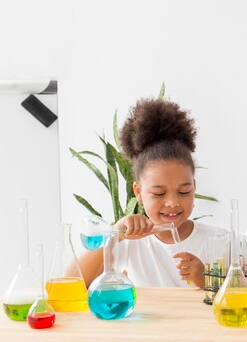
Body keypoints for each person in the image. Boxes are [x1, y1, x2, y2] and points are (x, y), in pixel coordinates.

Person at [78, 98, 226, 288]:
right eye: (158, 193)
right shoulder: (130, 243)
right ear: (138, 192)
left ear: (194, 188)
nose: (172, 202)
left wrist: (208, 280)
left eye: (184, 191)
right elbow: (74, 281)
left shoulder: (217, 241)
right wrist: (116, 234)